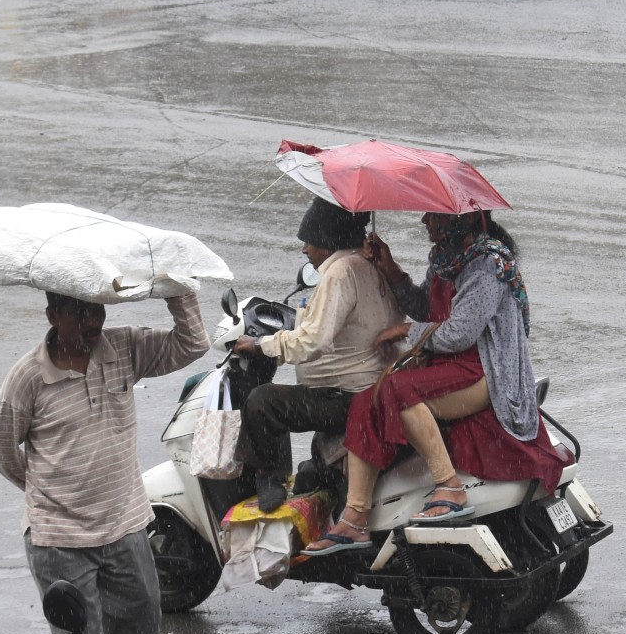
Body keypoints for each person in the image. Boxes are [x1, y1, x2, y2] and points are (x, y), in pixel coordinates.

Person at [304, 210, 569, 554]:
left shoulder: (487, 264)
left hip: (484, 370)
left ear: (459, 220)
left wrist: (404, 332)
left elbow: (459, 333)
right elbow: (425, 309)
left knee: (398, 391)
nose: (424, 221)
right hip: (449, 365)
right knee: (366, 401)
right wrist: (390, 268)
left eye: (433, 216)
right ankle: (355, 517)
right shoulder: (446, 259)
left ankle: (450, 485)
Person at [0, 291, 209, 634]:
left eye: (97, 309)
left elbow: (191, 343)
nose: (94, 321)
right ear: (53, 315)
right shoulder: (28, 377)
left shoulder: (123, 347)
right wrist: (47, 491)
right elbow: (0, 447)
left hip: (125, 523)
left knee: (142, 622)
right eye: (80, 312)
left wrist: (178, 291)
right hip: (60, 539)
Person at [233, 197, 403, 512]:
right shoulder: (369, 264)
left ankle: (270, 476)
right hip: (375, 389)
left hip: (346, 396)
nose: (304, 250)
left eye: (308, 241)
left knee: (261, 402)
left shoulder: (340, 273)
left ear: (326, 239)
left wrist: (261, 346)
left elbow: (313, 342)